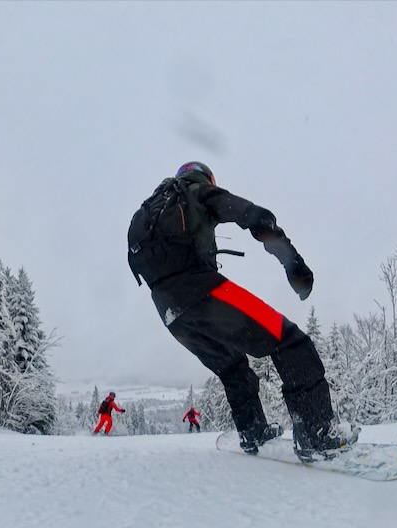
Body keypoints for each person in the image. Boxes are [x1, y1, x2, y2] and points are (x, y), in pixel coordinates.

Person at [126, 161, 359, 462]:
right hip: (202, 290)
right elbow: (252, 215)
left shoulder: (153, 211)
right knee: (291, 341)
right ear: (205, 177)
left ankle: (252, 432)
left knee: (232, 367)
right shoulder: (197, 191)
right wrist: (294, 264)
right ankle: (317, 435)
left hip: (170, 312)